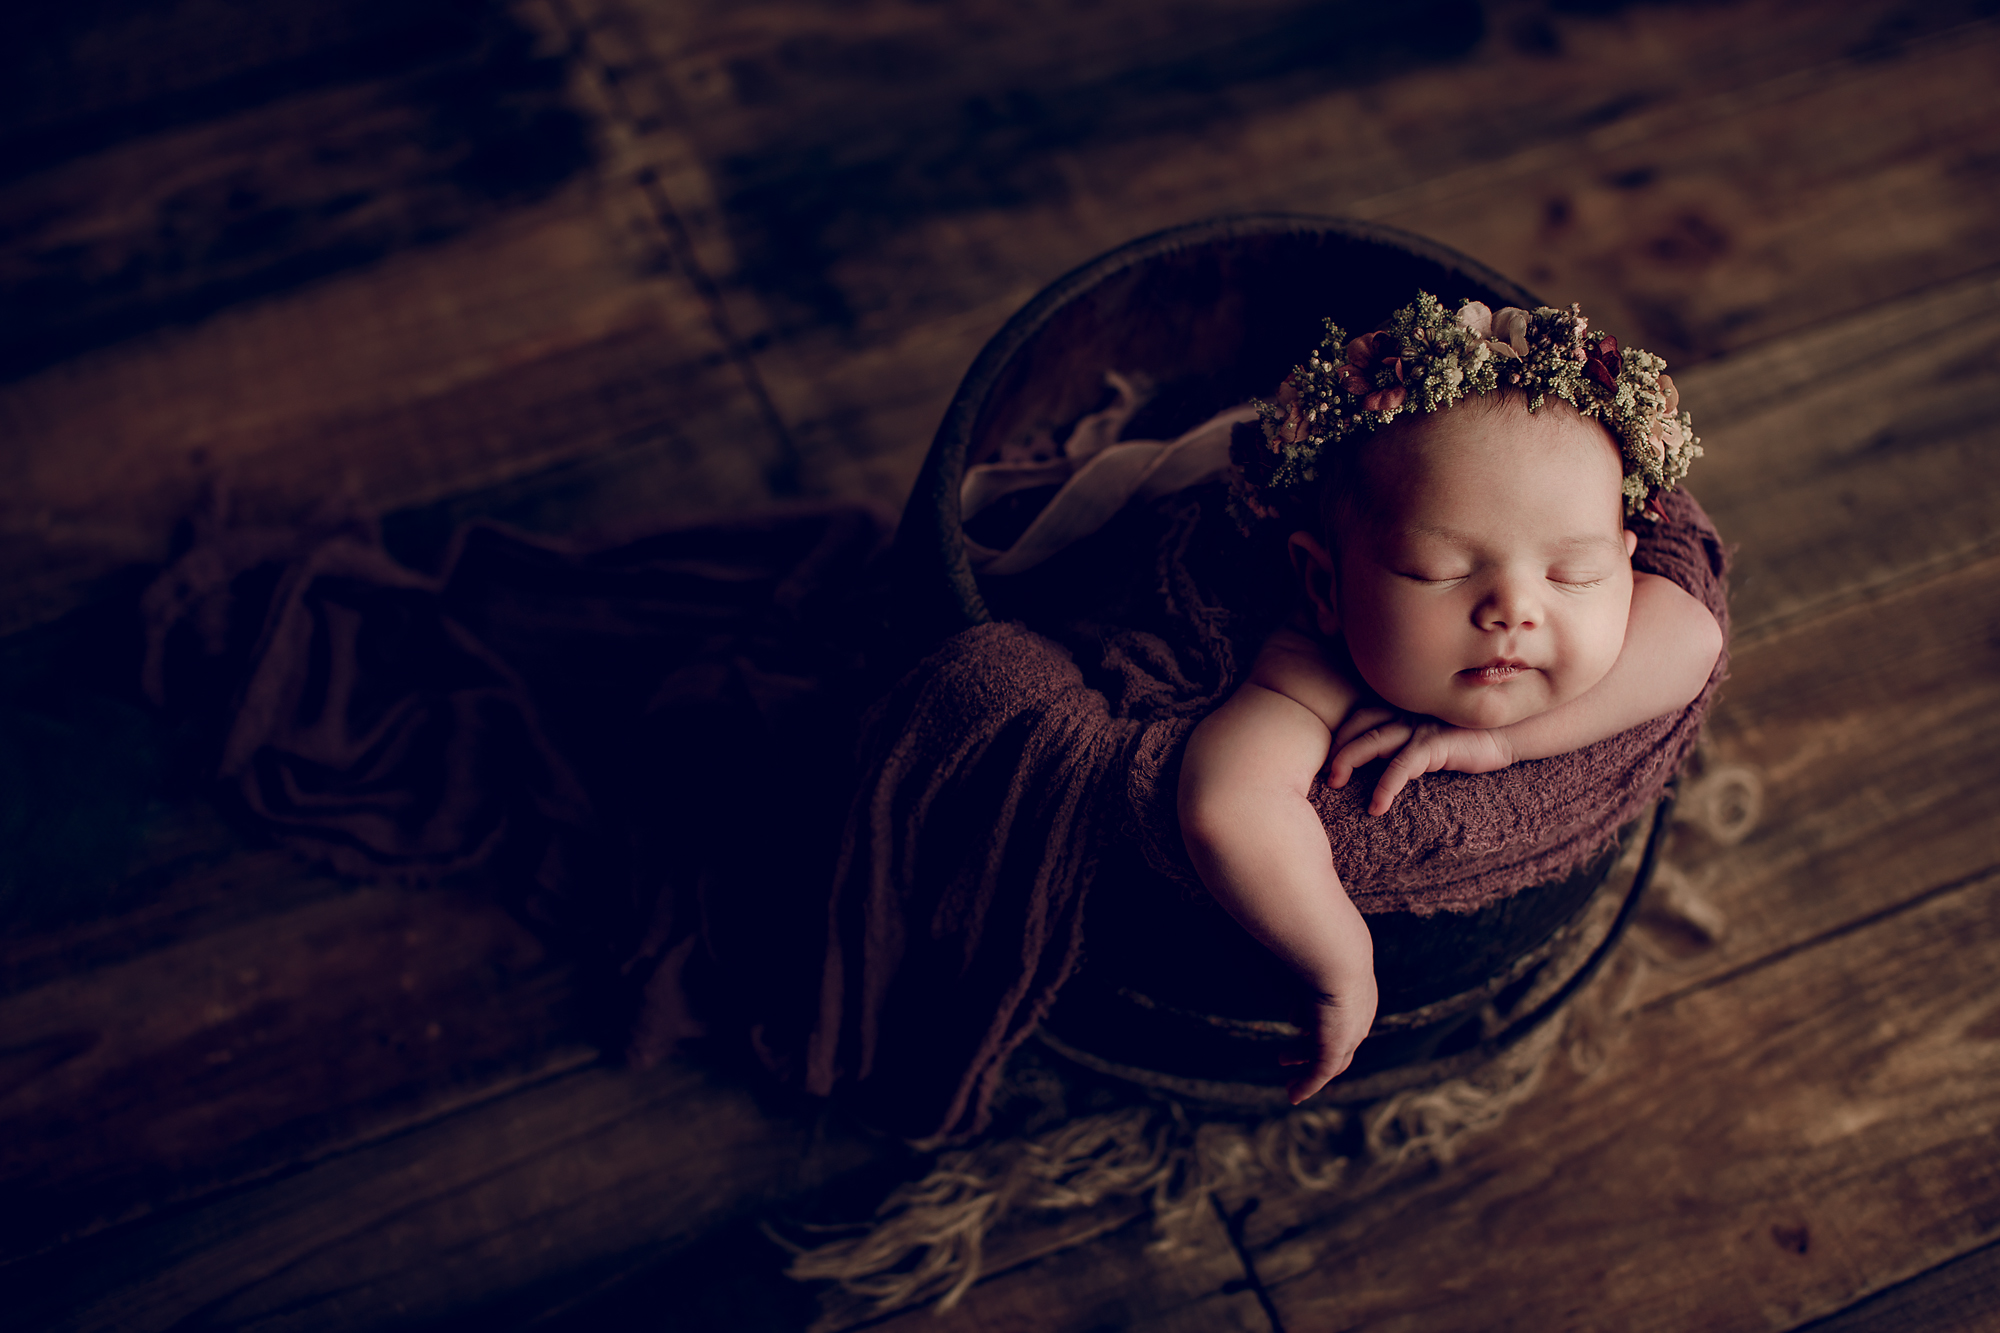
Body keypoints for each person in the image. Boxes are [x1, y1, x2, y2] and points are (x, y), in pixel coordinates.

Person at [1177, 293, 1724, 1105]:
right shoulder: (1314, 668)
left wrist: (1504, 743)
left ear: (1627, 563)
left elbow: (1694, 639)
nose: (1514, 609)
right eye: (1438, 572)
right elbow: (1229, 803)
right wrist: (1341, 962)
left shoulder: (1631, 604)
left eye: (1574, 574)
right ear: (1326, 585)